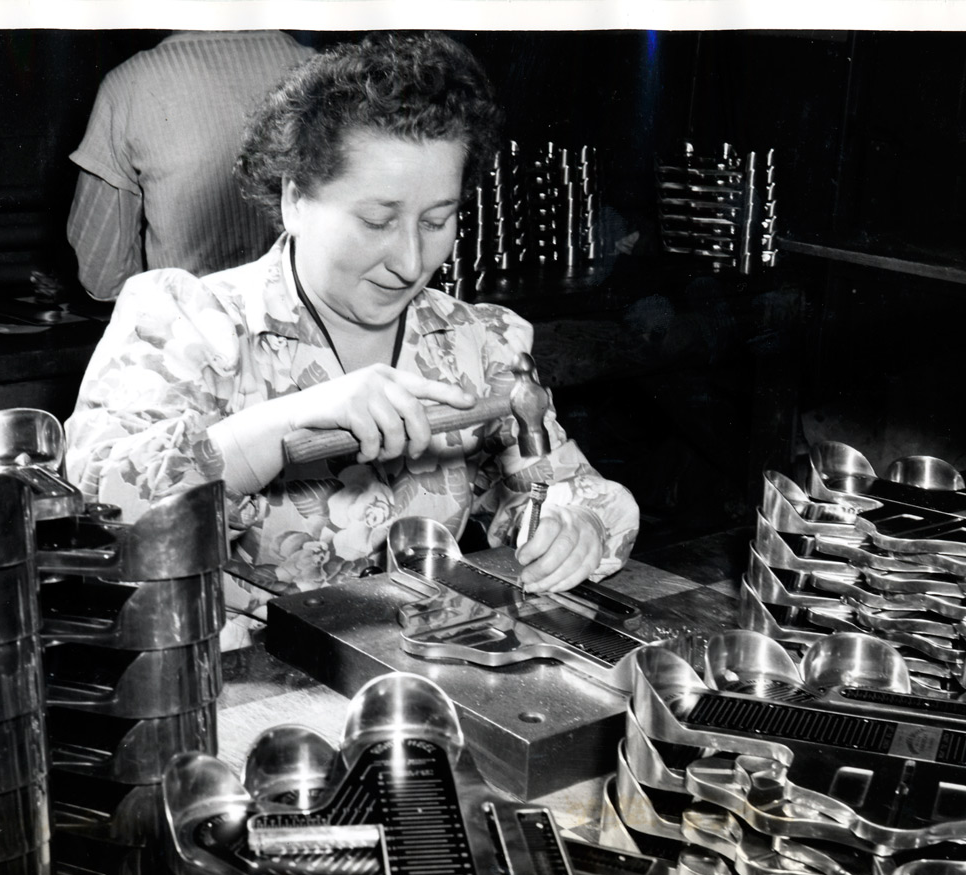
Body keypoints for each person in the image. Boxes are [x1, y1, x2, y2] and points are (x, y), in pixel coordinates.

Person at [66, 32, 640, 647]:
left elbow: (571, 487)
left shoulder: (480, 343)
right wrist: (280, 428)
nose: (411, 261)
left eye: (437, 220)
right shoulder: (186, 323)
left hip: (423, 680)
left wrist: (575, 524)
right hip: (242, 693)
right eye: (376, 221)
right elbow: (97, 519)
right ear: (295, 199)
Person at [66, 30, 313, 299]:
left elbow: (102, 273)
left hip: (186, 330)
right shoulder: (315, 68)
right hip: (309, 330)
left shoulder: (129, 83)